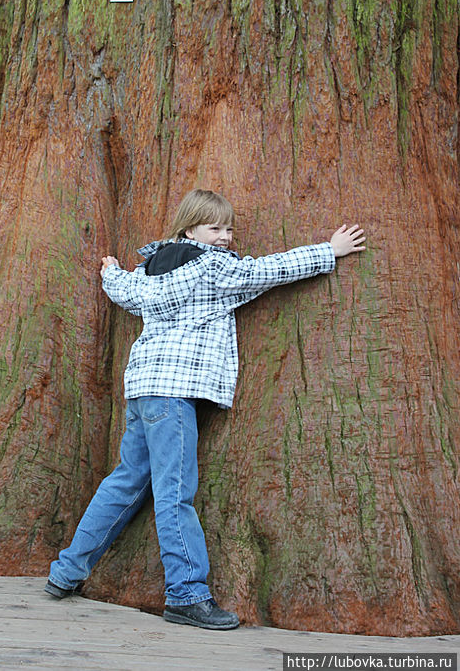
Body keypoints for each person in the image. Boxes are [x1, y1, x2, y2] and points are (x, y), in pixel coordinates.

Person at [45, 189, 365, 629]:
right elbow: (267, 271)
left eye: (229, 228)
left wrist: (111, 271)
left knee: (124, 482)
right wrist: (329, 250)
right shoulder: (212, 268)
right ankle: (186, 595)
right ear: (189, 228)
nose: (225, 236)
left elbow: (124, 292)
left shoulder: (151, 268)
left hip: (143, 391)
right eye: (214, 227)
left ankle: (66, 572)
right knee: (175, 493)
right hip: (173, 394)